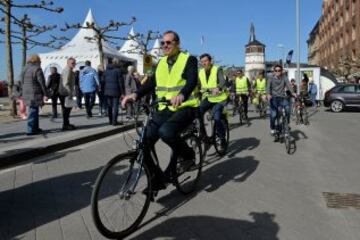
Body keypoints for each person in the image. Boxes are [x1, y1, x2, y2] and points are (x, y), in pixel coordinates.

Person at [121, 30, 199, 192]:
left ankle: (188, 155)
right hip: (164, 108)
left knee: (166, 132)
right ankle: (156, 180)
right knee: (143, 144)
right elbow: (151, 82)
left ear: (177, 43)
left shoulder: (188, 59)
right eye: (163, 43)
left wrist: (182, 94)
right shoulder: (162, 62)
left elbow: (192, 80)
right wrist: (135, 94)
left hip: (185, 107)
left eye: (169, 42)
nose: (165, 46)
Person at [198, 53, 228, 148]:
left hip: (219, 98)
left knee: (217, 118)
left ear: (210, 61)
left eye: (206, 61)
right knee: (198, 113)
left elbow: (222, 81)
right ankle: (204, 137)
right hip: (208, 98)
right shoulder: (200, 72)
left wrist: (218, 88)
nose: (204, 63)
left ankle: (222, 138)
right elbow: (197, 85)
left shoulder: (217, 69)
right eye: (202, 62)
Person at [20, 54, 48, 135]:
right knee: (33, 111)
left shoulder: (24, 69)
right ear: (37, 61)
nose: (40, 63)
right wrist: (45, 93)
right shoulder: (37, 69)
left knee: (34, 110)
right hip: (35, 93)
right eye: (40, 61)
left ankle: (35, 128)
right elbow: (42, 83)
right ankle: (31, 130)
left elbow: (21, 81)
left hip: (26, 93)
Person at [267, 65, 295, 135]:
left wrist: (293, 93)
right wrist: (268, 94)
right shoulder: (271, 78)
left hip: (282, 98)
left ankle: (287, 123)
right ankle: (272, 128)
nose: (277, 72)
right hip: (273, 98)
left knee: (288, 109)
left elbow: (289, 85)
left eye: (279, 70)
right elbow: (268, 87)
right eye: (276, 70)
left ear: (281, 71)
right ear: (274, 71)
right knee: (273, 115)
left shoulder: (284, 77)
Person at [103, 59, 124, 125]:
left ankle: (110, 121)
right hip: (116, 91)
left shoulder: (106, 71)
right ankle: (114, 122)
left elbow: (103, 81)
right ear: (117, 63)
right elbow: (121, 83)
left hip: (107, 91)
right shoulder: (118, 70)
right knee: (115, 107)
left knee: (109, 106)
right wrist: (123, 93)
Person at [59, 57, 76, 131]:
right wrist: (70, 93)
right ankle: (65, 125)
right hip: (65, 93)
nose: (74, 64)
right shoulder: (67, 70)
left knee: (67, 109)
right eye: (72, 63)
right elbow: (65, 83)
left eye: (74, 63)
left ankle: (66, 123)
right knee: (66, 109)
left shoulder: (70, 70)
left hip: (65, 92)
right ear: (68, 63)